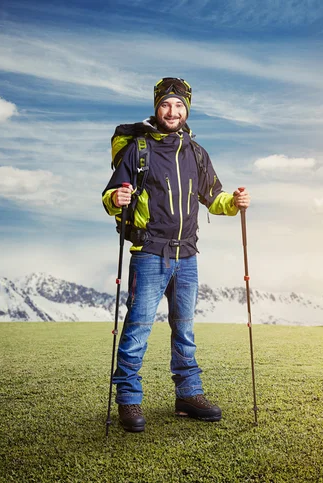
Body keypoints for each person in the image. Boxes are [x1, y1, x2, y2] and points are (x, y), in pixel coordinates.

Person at [102, 77, 251, 432]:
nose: (173, 111)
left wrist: (235, 201)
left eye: (179, 105)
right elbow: (111, 197)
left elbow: (214, 197)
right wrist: (116, 200)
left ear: (187, 109)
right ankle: (128, 400)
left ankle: (188, 395)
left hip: (187, 256)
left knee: (184, 329)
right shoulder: (138, 149)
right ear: (157, 107)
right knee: (137, 329)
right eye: (166, 105)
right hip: (149, 253)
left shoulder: (197, 154)